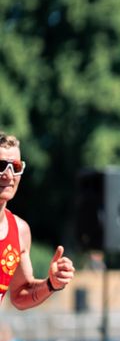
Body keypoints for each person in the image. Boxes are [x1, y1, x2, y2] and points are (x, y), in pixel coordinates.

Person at [0, 132, 75, 310]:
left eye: (16, 166)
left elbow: (20, 294)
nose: (9, 175)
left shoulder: (19, 230)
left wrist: (51, 284)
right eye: (1, 165)